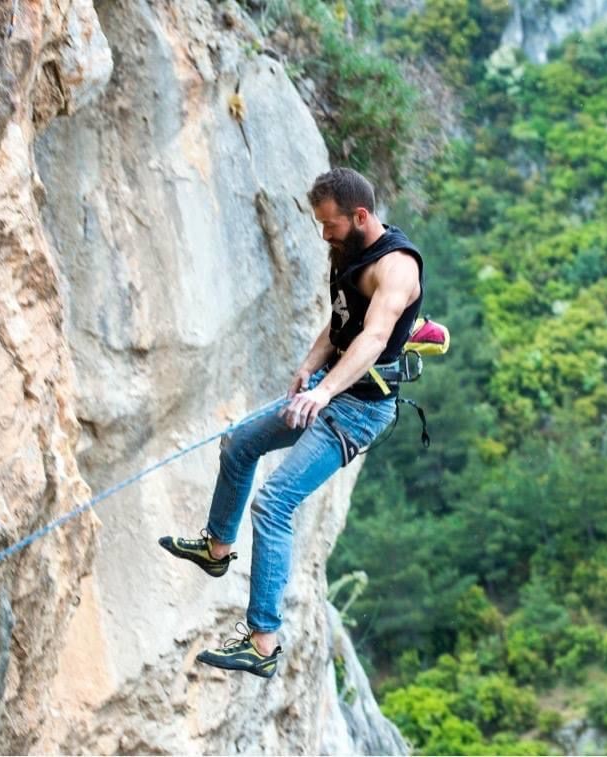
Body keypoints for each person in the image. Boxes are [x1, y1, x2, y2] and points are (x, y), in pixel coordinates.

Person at [159, 167, 424, 678]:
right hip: (330, 389)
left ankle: (262, 644)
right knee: (238, 446)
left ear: (361, 216)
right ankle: (217, 548)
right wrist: (309, 365)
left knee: (274, 502)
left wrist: (323, 391)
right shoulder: (349, 252)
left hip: (359, 409)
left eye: (331, 225)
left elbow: (371, 338)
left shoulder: (397, 268)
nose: (324, 234)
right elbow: (342, 320)